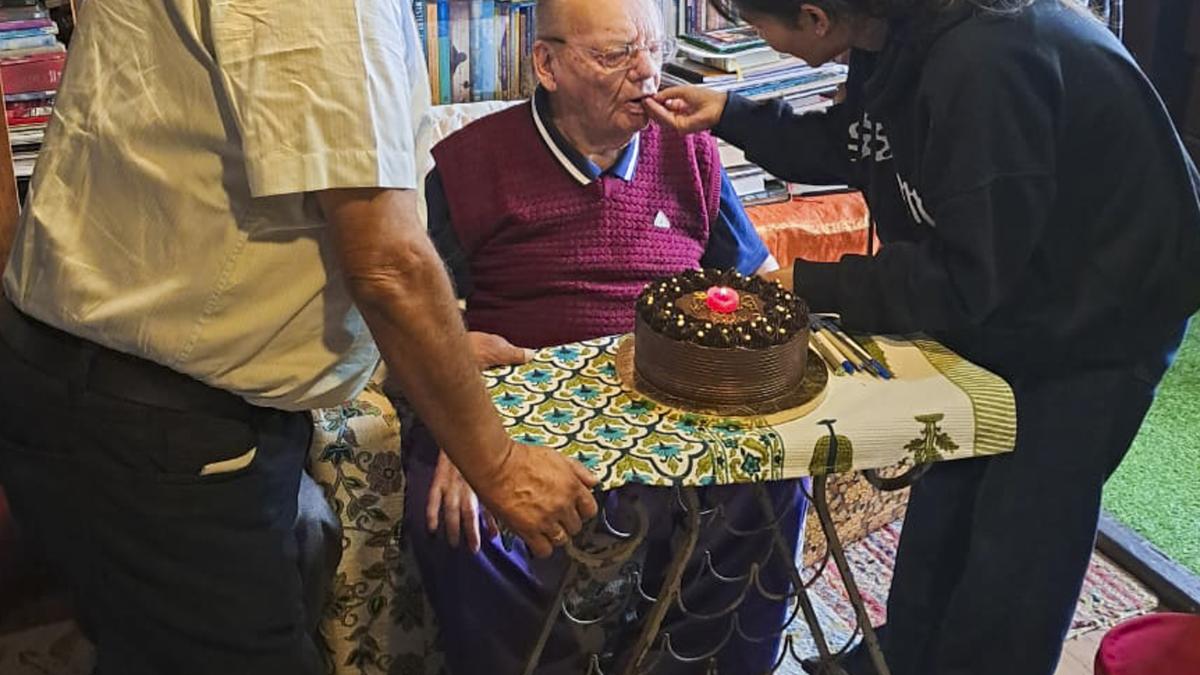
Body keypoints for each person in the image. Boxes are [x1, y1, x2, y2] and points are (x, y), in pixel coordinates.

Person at [0, 1, 596, 674]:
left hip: (92, 383)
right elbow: (389, 264)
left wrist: (431, 353)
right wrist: (500, 465)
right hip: (157, 423)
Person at [644, 0, 1200, 674]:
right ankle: (902, 656)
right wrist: (730, 114)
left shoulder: (984, 63)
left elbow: (963, 280)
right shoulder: (885, 27)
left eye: (759, 28)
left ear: (816, 18)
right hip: (1016, 279)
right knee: (948, 491)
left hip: (1107, 309)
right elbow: (859, 145)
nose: (757, 39)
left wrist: (811, 283)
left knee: (1022, 535)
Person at [399, 0, 806, 672]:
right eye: (616, 54)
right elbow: (426, 319)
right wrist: (461, 422)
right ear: (547, 64)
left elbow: (758, 287)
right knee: (458, 513)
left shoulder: (690, 151)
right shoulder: (471, 164)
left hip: (674, 400)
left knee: (775, 476)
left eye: (653, 49)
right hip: (524, 407)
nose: (646, 72)